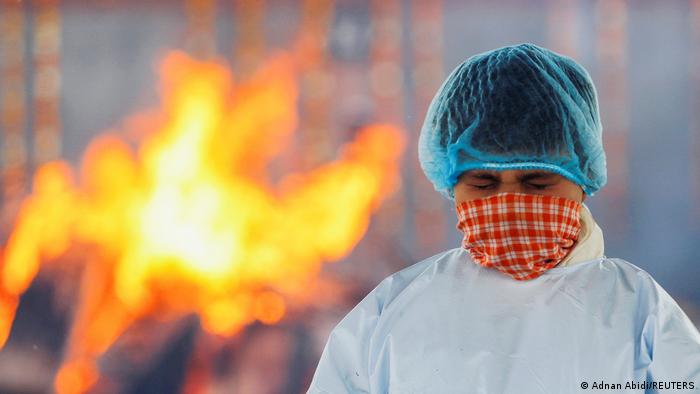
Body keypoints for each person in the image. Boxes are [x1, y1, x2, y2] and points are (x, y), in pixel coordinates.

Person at [307, 43, 700, 393]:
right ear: (451, 184)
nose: (509, 201)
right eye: (483, 182)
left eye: (536, 181)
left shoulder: (638, 311)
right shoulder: (390, 314)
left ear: (583, 180)